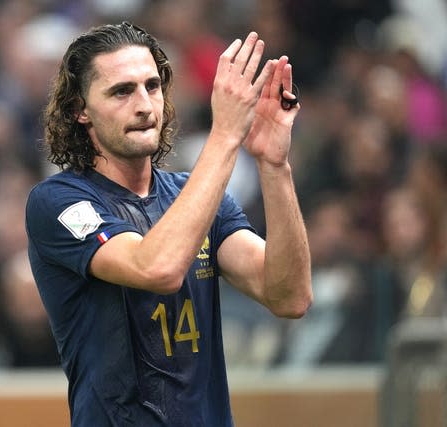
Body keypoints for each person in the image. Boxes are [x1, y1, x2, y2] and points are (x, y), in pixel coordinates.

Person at [25, 22, 312, 426]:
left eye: (152, 86)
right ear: (80, 110)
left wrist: (274, 164)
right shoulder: (58, 202)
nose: (144, 105)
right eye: (122, 91)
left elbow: (289, 296)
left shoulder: (193, 196)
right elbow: (157, 267)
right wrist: (226, 134)